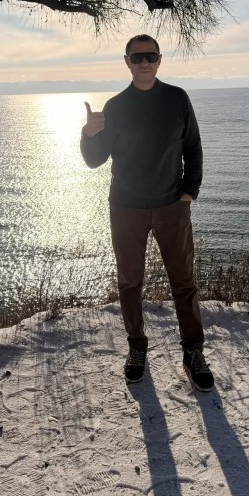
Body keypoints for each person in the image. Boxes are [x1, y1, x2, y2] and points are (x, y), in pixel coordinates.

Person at [80, 34, 214, 391]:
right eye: (137, 58)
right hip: (126, 207)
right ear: (127, 62)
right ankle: (137, 347)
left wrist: (189, 192)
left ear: (159, 60)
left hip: (172, 206)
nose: (144, 63)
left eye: (150, 56)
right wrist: (88, 134)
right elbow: (94, 160)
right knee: (129, 282)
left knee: (183, 282)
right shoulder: (116, 107)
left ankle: (193, 352)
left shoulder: (177, 99)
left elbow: (193, 147)